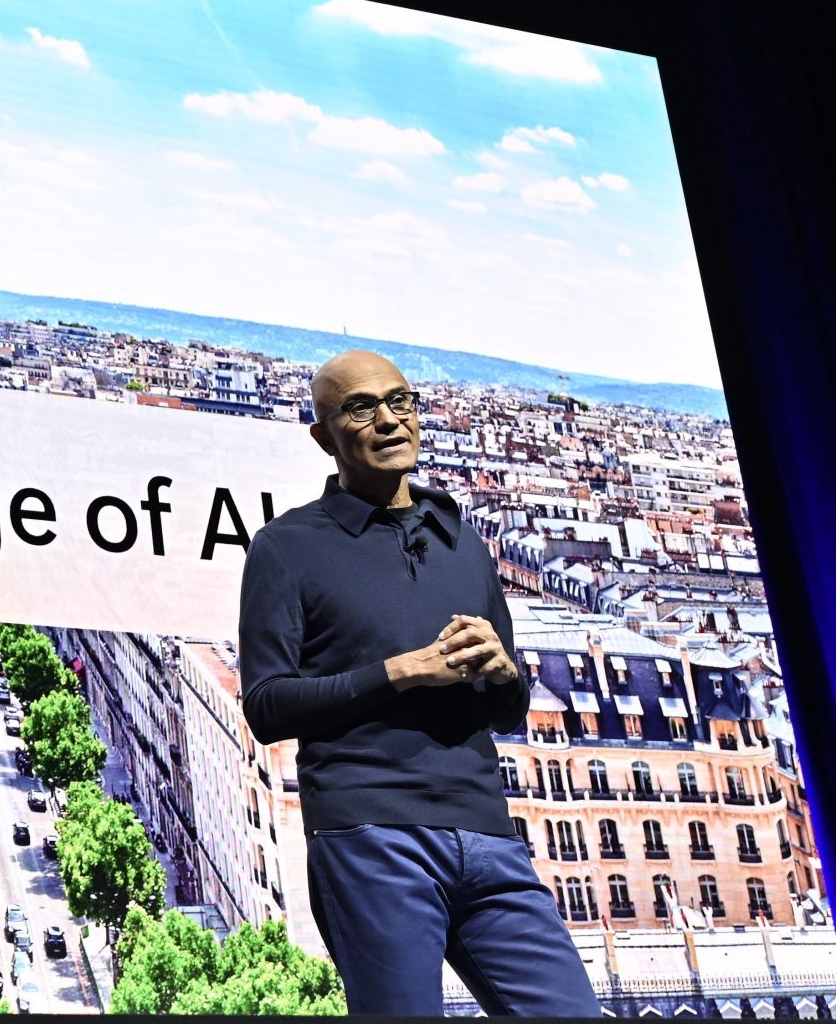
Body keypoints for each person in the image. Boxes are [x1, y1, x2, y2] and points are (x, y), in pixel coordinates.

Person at [239, 350, 599, 1016]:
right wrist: (399, 673)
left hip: (488, 836)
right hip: (370, 836)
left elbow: (508, 710)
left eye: (399, 401)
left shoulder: (464, 542)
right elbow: (265, 706)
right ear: (324, 438)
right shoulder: (286, 547)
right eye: (360, 407)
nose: (387, 419)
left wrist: (504, 672)